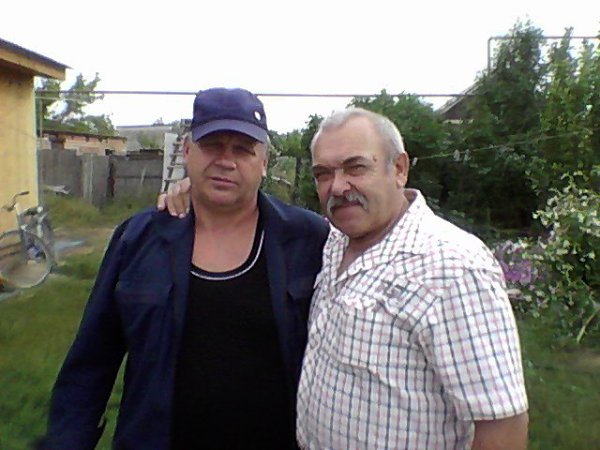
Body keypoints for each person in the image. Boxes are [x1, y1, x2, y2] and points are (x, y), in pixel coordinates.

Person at [162, 107, 529, 449]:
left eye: (355, 168)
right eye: (324, 173)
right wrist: (200, 194)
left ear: (399, 169)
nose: (337, 186)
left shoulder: (451, 268)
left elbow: (502, 423)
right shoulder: (332, 241)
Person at [43, 87, 329, 450]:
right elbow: (92, 360)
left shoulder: (310, 239)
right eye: (212, 145)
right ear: (188, 151)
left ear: (264, 162)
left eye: (243, 149)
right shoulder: (138, 239)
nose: (226, 161)